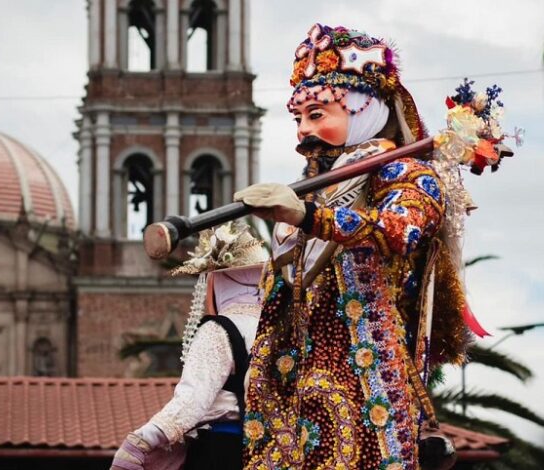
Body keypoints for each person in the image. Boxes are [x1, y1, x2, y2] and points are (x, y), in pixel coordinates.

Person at [233, 24, 484, 469]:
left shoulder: (407, 176)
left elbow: (398, 229)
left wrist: (309, 218)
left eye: (318, 114)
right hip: (289, 395)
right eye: (299, 118)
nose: (303, 133)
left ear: (365, 110)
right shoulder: (312, 191)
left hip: (364, 387)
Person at [110, 222, 267, 470]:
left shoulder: (218, 330)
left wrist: (142, 440)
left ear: (218, 280)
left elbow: (193, 399)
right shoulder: (276, 328)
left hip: (223, 451)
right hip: (272, 453)